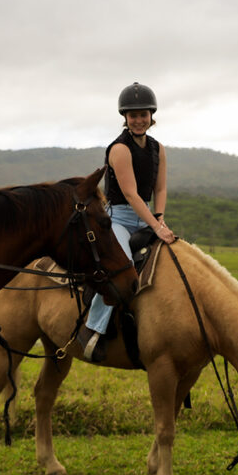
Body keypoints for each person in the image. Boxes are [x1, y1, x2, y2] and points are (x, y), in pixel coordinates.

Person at [78, 82, 176, 362]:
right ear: (125, 117)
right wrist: (155, 227)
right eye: (133, 115)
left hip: (146, 216)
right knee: (119, 267)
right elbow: (131, 194)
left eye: (143, 114)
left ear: (151, 115)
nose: (138, 120)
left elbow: (160, 189)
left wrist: (160, 218)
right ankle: (93, 329)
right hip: (117, 219)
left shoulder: (158, 149)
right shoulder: (120, 149)